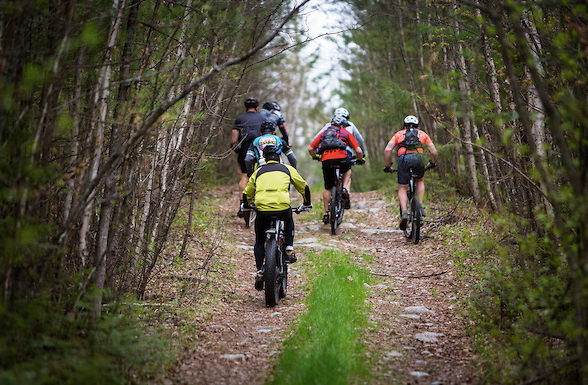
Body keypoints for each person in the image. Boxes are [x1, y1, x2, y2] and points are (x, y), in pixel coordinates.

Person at [242, 145, 312, 290]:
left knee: (260, 240)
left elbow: (247, 193)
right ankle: (289, 248)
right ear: (279, 157)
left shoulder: (258, 171)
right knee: (288, 219)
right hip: (282, 207)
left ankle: (260, 272)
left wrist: (247, 205)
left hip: (262, 209)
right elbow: (304, 187)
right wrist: (306, 202)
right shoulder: (287, 169)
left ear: (265, 159)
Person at [384, 115, 438, 230]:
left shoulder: (399, 134)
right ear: (417, 126)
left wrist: (388, 166)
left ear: (404, 126)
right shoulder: (422, 134)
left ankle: (404, 213)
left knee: (402, 188)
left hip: (404, 159)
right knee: (420, 181)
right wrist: (432, 162)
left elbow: (388, 149)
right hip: (419, 159)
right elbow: (433, 151)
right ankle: (420, 206)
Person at [308, 115, 364, 224]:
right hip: (342, 159)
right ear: (343, 125)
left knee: (328, 187)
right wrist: (360, 159)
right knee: (348, 171)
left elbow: (310, 148)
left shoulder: (324, 133)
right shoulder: (346, 133)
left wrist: (315, 157)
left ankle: (325, 213)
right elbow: (358, 150)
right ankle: (345, 190)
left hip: (326, 161)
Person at [231, 97, 265, 217]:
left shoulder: (240, 119)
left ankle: (242, 204)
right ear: (257, 108)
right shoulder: (262, 118)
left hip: (245, 149)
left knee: (244, 176)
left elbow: (234, 138)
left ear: (245, 108)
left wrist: (235, 147)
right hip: (260, 150)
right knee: (261, 174)